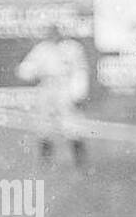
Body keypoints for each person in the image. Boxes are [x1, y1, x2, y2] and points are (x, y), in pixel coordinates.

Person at [16, 24, 91, 169]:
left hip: (65, 87)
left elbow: (80, 71)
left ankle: (80, 159)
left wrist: (78, 92)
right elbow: (28, 68)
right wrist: (25, 71)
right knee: (44, 123)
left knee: (71, 123)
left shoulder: (72, 48)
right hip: (47, 86)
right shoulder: (43, 49)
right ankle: (46, 159)